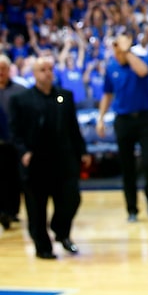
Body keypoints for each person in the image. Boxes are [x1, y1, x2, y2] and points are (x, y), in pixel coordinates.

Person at [8, 56, 91, 259]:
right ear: (34, 74)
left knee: (72, 198)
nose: (47, 72)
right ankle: (42, 246)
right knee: (37, 207)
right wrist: (23, 151)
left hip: (63, 159)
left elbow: (73, 127)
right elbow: (15, 132)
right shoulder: (21, 99)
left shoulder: (64, 96)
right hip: (36, 161)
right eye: (42, 69)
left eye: (50, 68)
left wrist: (83, 151)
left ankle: (61, 232)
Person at [95, 34, 148, 222]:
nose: (119, 49)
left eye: (122, 45)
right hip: (123, 121)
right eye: (116, 46)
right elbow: (107, 95)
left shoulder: (140, 59)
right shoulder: (111, 67)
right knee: (127, 167)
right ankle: (132, 209)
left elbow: (143, 71)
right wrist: (100, 118)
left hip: (145, 118)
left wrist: (127, 51)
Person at [0, 54, 26, 229]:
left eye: (3, 68)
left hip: (14, 142)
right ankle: (3, 212)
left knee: (14, 179)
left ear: (9, 70)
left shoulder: (20, 91)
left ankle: (12, 211)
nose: (1, 72)